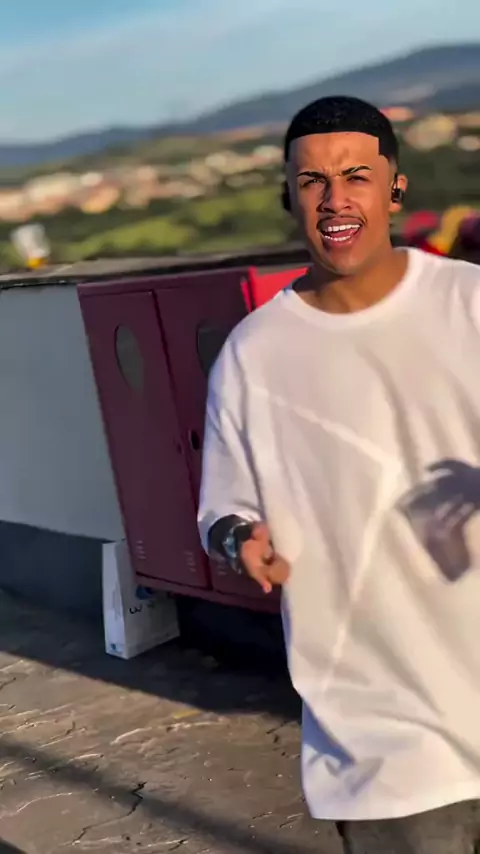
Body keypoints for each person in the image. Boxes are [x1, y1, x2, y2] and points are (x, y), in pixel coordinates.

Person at [197, 95, 480, 853]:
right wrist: (239, 541)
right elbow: (221, 509)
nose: (335, 198)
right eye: (313, 181)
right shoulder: (253, 356)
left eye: (356, 176)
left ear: (395, 190)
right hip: (380, 747)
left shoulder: (471, 304)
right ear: (289, 198)